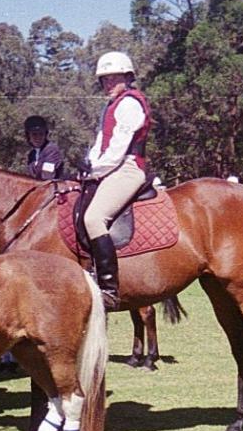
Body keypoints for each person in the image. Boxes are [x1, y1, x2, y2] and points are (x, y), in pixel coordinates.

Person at [81, 51, 153, 311]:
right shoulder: (110, 106)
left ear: (127, 77)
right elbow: (102, 142)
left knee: (93, 218)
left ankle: (109, 288)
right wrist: (89, 163)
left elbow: (118, 149)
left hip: (127, 168)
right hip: (110, 167)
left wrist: (96, 169)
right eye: (104, 80)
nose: (108, 84)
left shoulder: (130, 104)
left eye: (114, 79)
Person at [24, 115, 66, 182]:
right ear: (28, 135)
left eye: (41, 134)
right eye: (34, 134)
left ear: (45, 134)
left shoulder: (52, 150)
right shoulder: (31, 154)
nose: (38, 137)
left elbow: (47, 176)